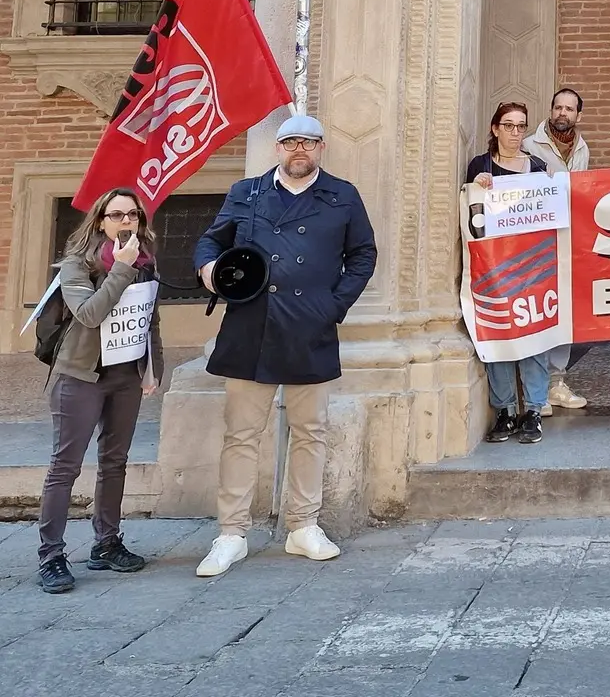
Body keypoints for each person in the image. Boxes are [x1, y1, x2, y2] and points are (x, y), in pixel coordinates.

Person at [192, 113, 377, 578]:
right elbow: (210, 243)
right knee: (241, 435)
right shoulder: (247, 192)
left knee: (310, 432)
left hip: (310, 327)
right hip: (251, 325)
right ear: (278, 148)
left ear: (321, 149)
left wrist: (332, 306)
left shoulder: (342, 195)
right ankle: (232, 533)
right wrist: (210, 273)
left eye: (309, 143)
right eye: (291, 142)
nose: (300, 150)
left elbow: (363, 255)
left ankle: (303, 525)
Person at [35, 188, 165, 593]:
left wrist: (152, 368)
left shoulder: (146, 263)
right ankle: (51, 556)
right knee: (65, 466)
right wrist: (120, 269)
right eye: (117, 215)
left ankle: (107, 543)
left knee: (115, 461)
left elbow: (150, 318)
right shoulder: (76, 265)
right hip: (81, 376)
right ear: (100, 222)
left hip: (126, 375)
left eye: (133, 216)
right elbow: (90, 314)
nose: (126, 222)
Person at [466, 102, 555, 445]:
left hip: (533, 267)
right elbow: (469, 210)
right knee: (499, 337)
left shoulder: (538, 167)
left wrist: (550, 186)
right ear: (495, 129)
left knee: (535, 338)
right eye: (508, 125)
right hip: (493, 269)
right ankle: (504, 412)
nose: (515, 133)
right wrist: (476, 185)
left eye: (521, 127)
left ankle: (533, 410)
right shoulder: (481, 165)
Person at [523, 87, 590, 411]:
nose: (562, 113)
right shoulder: (528, 145)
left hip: (567, 241)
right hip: (534, 245)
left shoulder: (582, 149)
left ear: (579, 115)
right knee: (537, 310)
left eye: (569, 109)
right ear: (550, 110)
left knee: (564, 313)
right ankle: (533, 389)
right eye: (558, 107)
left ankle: (556, 383)